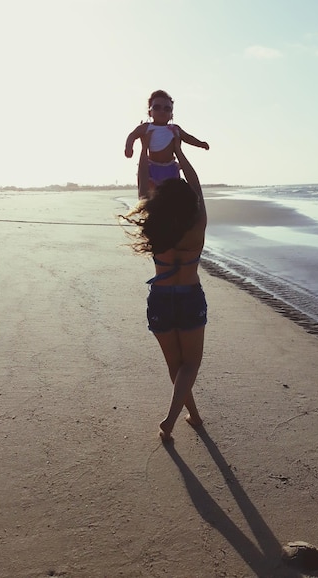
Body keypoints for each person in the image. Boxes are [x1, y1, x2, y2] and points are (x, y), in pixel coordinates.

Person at [122, 134, 207, 441]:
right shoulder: (197, 223)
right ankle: (171, 419)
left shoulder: (155, 223)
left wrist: (145, 149)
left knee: (176, 365)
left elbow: (143, 182)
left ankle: (194, 416)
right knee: (192, 363)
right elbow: (195, 182)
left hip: (160, 297)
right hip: (189, 296)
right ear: (188, 202)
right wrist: (179, 154)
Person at [124, 89, 209, 199]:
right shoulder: (146, 127)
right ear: (150, 112)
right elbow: (132, 135)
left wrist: (201, 144)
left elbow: (188, 138)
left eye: (167, 109)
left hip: (171, 167)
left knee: (173, 195)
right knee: (150, 196)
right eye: (157, 107)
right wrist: (128, 148)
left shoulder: (174, 129)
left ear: (171, 115)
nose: (162, 111)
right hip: (152, 167)